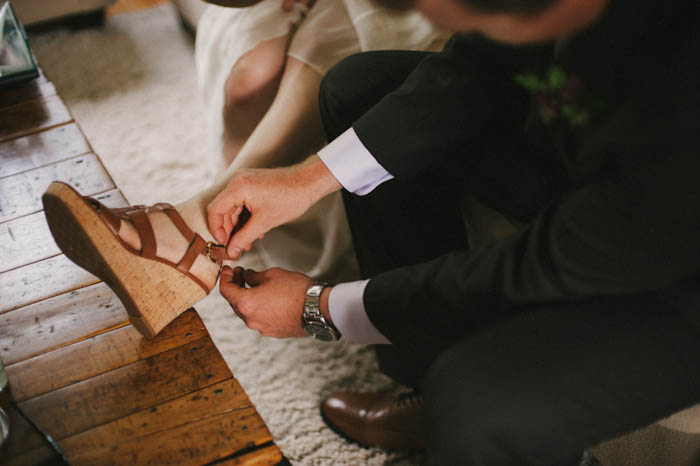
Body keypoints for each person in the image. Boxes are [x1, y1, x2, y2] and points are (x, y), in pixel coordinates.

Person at [42, 0, 700, 464]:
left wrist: (319, 310)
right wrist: (306, 178)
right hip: (598, 173)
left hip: (677, 269)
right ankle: (420, 376)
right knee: (359, 86)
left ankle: (445, 400)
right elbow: (476, 69)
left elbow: (536, 268)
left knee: (476, 408)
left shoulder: (675, 113)